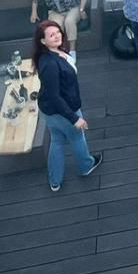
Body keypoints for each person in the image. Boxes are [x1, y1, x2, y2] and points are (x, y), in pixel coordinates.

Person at [33, 20, 103, 191]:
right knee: (77, 137)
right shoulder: (50, 64)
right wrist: (74, 118)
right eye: (51, 35)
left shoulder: (52, 53)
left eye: (58, 32)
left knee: (57, 140)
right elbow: (55, 96)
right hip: (64, 110)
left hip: (49, 111)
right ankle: (86, 166)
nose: (57, 36)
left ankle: (55, 180)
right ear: (43, 41)